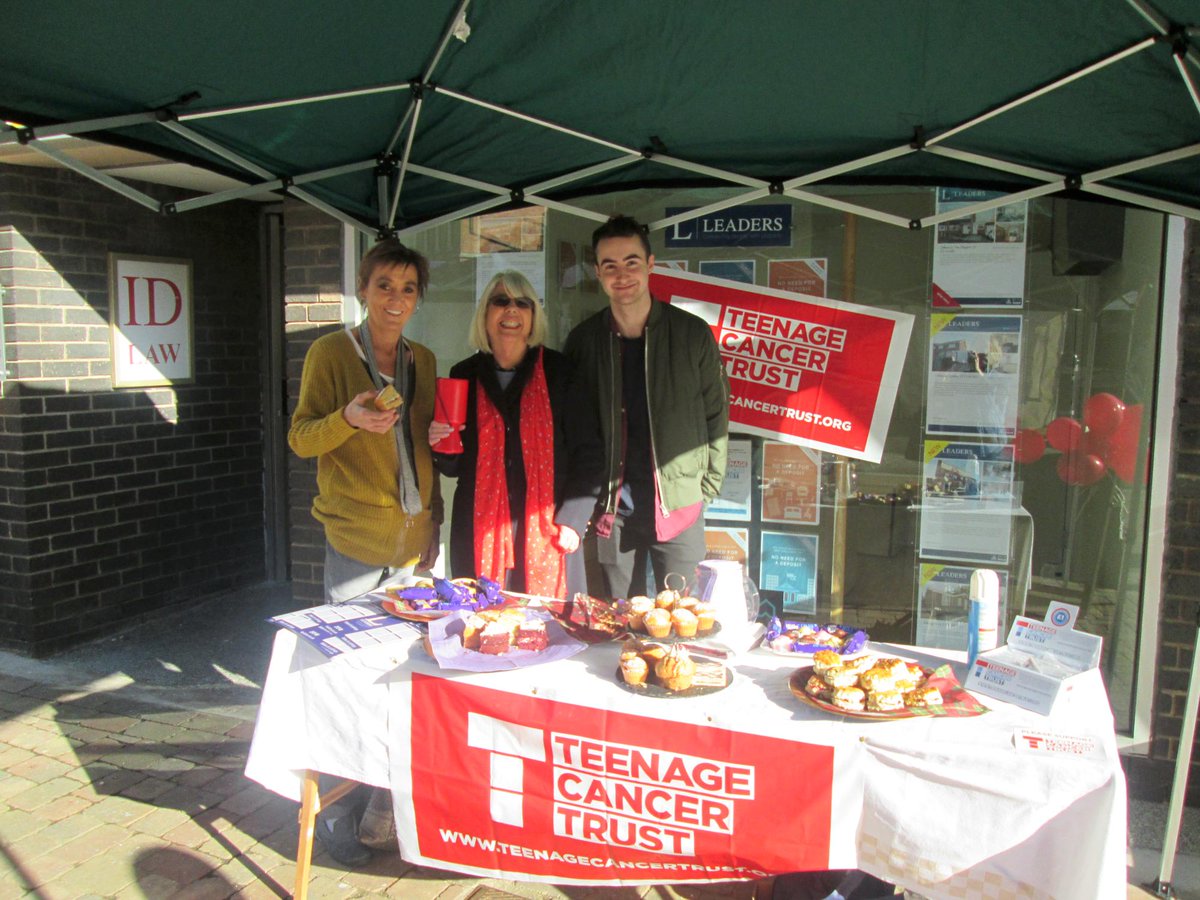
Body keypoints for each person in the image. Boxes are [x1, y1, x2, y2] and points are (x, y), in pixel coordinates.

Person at [287, 237, 441, 865]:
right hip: (355, 541)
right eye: (385, 286)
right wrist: (348, 419)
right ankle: (336, 812)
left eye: (407, 289)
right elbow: (301, 439)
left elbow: (424, 446)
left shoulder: (423, 360)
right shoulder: (330, 352)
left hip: (412, 543)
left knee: (401, 681)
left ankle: (385, 797)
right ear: (362, 289)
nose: (396, 300)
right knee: (349, 681)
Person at [564, 214, 730, 600]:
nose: (621, 275)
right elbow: (572, 427)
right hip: (613, 510)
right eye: (610, 266)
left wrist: (706, 486)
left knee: (684, 622)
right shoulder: (583, 341)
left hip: (679, 506)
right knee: (621, 623)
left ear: (651, 265)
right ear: (598, 273)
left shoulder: (691, 335)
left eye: (631, 262)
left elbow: (716, 414)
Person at [429, 271, 592, 596]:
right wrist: (440, 443)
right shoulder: (463, 374)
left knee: (548, 630)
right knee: (483, 627)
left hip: (550, 530)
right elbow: (454, 467)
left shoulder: (562, 373)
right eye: (500, 301)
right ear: (485, 315)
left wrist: (573, 520)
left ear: (534, 317)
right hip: (480, 528)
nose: (511, 310)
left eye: (523, 303)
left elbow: (589, 452)